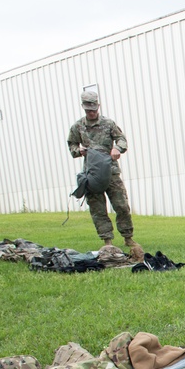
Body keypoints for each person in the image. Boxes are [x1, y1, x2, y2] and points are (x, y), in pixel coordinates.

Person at [67, 91, 144, 261]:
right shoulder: (78, 126)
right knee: (98, 209)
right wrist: (77, 150)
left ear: (98, 106)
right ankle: (107, 241)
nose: (91, 113)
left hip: (111, 172)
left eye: (93, 109)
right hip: (92, 173)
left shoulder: (108, 124)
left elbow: (121, 139)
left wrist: (118, 149)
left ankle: (128, 238)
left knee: (121, 205)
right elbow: (71, 143)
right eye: (88, 110)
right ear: (83, 108)